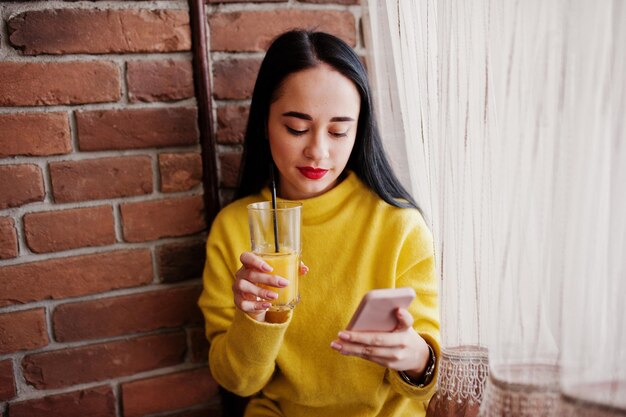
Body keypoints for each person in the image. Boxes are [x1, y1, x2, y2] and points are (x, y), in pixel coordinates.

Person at [198, 30, 440, 417]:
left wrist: (416, 357)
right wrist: (253, 318)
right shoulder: (234, 228)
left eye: (339, 131)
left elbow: (430, 387)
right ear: (265, 123)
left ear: (359, 132)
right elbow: (239, 382)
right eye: (296, 128)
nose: (318, 151)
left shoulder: (400, 227)